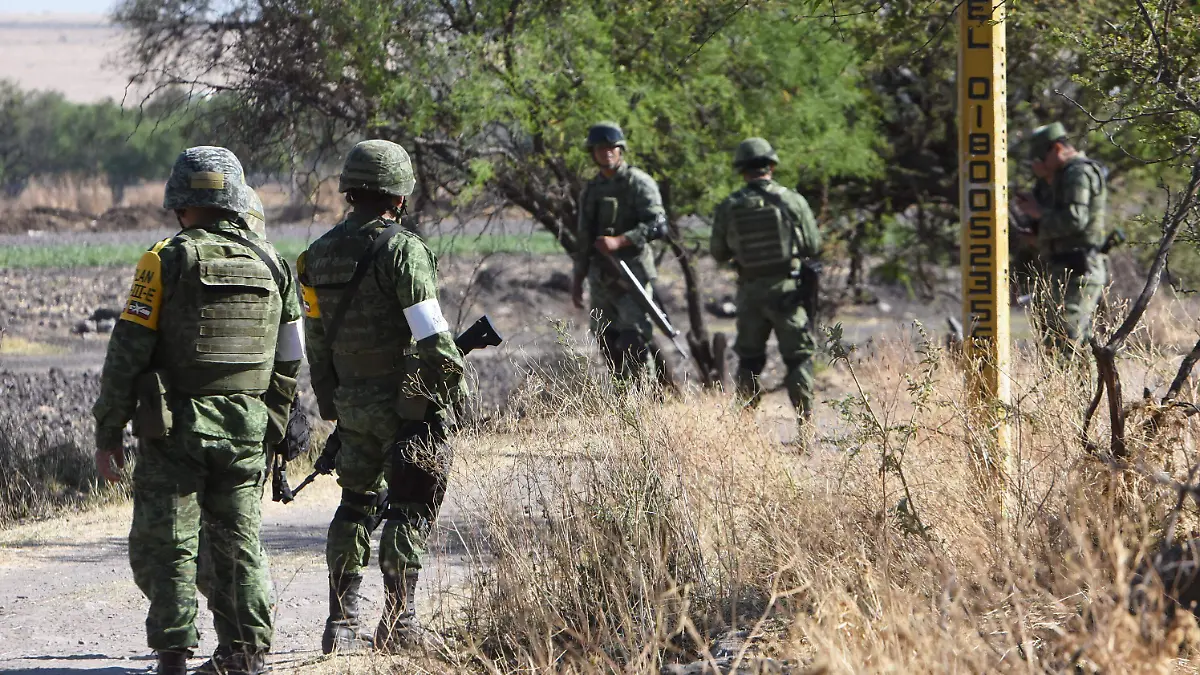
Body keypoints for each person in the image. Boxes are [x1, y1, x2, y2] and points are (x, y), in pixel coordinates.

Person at [92, 147, 304, 675]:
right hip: (246, 429)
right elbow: (291, 355)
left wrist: (108, 432)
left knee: (167, 543)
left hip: (175, 430)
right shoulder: (274, 263)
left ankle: (172, 655)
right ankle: (247, 652)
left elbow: (128, 351)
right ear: (235, 201)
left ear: (181, 202)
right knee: (240, 543)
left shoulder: (163, 259)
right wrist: (273, 423)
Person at [298, 139, 466, 653]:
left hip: (353, 405)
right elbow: (432, 334)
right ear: (399, 194)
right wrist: (453, 391)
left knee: (354, 506)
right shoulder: (402, 250)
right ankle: (400, 624)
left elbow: (317, 341)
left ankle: (341, 624)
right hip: (406, 406)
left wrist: (334, 403)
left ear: (351, 190)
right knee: (410, 506)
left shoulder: (316, 256)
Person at [710, 137, 821, 427]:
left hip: (749, 293)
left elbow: (718, 253)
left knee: (749, 360)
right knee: (797, 359)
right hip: (787, 291)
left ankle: (743, 428)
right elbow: (813, 245)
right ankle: (805, 428)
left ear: (741, 169)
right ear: (771, 166)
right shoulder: (793, 201)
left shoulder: (729, 206)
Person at [570, 121, 668, 380]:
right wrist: (578, 278)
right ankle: (623, 399)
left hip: (632, 274)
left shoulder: (639, 183)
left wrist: (621, 241)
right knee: (605, 338)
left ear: (620, 149)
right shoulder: (591, 190)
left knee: (633, 338)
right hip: (601, 276)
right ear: (593, 153)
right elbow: (584, 239)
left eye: (612, 148)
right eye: (601, 149)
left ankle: (644, 401)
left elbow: (658, 225)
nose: (607, 153)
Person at [1014, 122, 1109, 357]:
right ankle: (1075, 392)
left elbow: (1076, 219)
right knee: (1056, 339)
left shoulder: (1078, 173)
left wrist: (1038, 213)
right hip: (1061, 268)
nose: (1036, 166)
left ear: (1057, 149)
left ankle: (1080, 393)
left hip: (1079, 268)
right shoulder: (1056, 179)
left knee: (1068, 340)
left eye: (1039, 158)